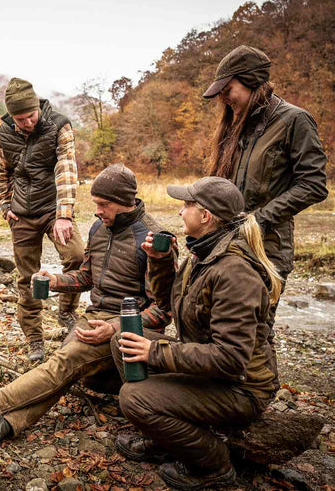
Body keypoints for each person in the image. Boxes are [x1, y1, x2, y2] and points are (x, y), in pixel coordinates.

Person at [0, 164, 171, 465]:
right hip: (94, 317)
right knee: (61, 369)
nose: (97, 212)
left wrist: (116, 326)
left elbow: (163, 310)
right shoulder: (98, 229)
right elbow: (86, 277)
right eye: (95, 204)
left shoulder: (152, 239)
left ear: (125, 201)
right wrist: (56, 281)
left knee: (63, 363)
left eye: (104, 205)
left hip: (126, 328)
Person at [112, 177, 282, 490]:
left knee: (133, 397)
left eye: (186, 205)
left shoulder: (234, 271)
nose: (180, 212)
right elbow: (169, 304)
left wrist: (156, 353)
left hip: (242, 388)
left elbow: (231, 359)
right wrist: (161, 263)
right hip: (209, 370)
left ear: (205, 216)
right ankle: (168, 436)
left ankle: (213, 464)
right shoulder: (203, 254)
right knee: (121, 340)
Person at [203, 45, 327, 283]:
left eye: (228, 90)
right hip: (226, 245)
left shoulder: (294, 120)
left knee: (252, 321)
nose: (223, 98)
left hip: (267, 251)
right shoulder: (235, 124)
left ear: (251, 81)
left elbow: (314, 184)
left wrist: (258, 220)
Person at [0, 77, 84, 361]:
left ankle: (67, 312)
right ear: (12, 116)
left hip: (52, 209)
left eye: (31, 116)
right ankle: (34, 339)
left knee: (78, 256)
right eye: (20, 119)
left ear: (38, 108)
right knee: (26, 278)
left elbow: (67, 168)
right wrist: (4, 204)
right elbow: (3, 171)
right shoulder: (5, 132)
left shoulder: (59, 125)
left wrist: (64, 214)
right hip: (21, 213)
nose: (28, 123)